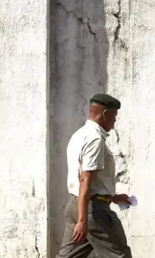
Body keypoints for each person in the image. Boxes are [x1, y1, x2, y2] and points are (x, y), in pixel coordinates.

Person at [56, 94, 132, 258]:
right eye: (114, 115)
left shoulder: (79, 134)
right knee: (119, 254)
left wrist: (112, 197)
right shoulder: (95, 139)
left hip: (76, 205)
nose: (115, 121)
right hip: (93, 211)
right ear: (105, 114)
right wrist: (83, 220)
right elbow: (85, 179)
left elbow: (91, 181)